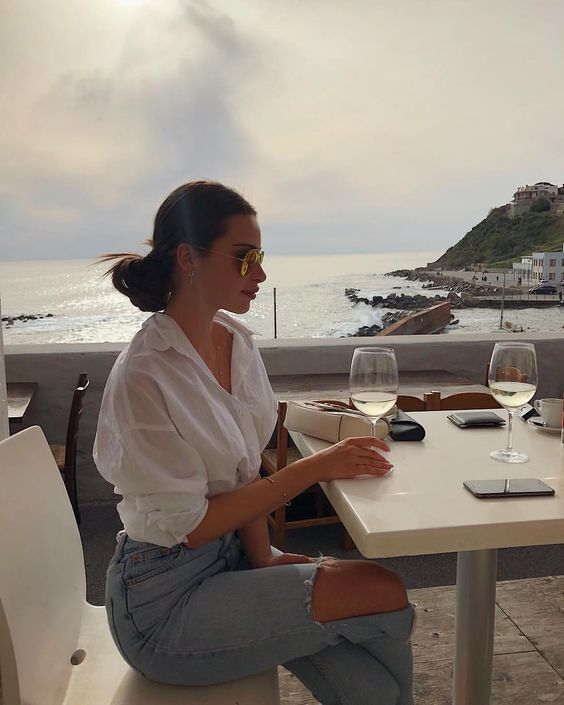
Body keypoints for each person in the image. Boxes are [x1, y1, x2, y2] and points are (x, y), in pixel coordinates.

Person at [94, 180, 414, 705]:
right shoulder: (145, 374)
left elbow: (242, 473)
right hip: (163, 601)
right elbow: (192, 526)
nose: (260, 274)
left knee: (374, 675)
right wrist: (315, 467)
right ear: (188, 258)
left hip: (233, 559)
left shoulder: (236, 344)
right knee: (381, 590)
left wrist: (262, 555)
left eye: (260, 258)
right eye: (245, 257)